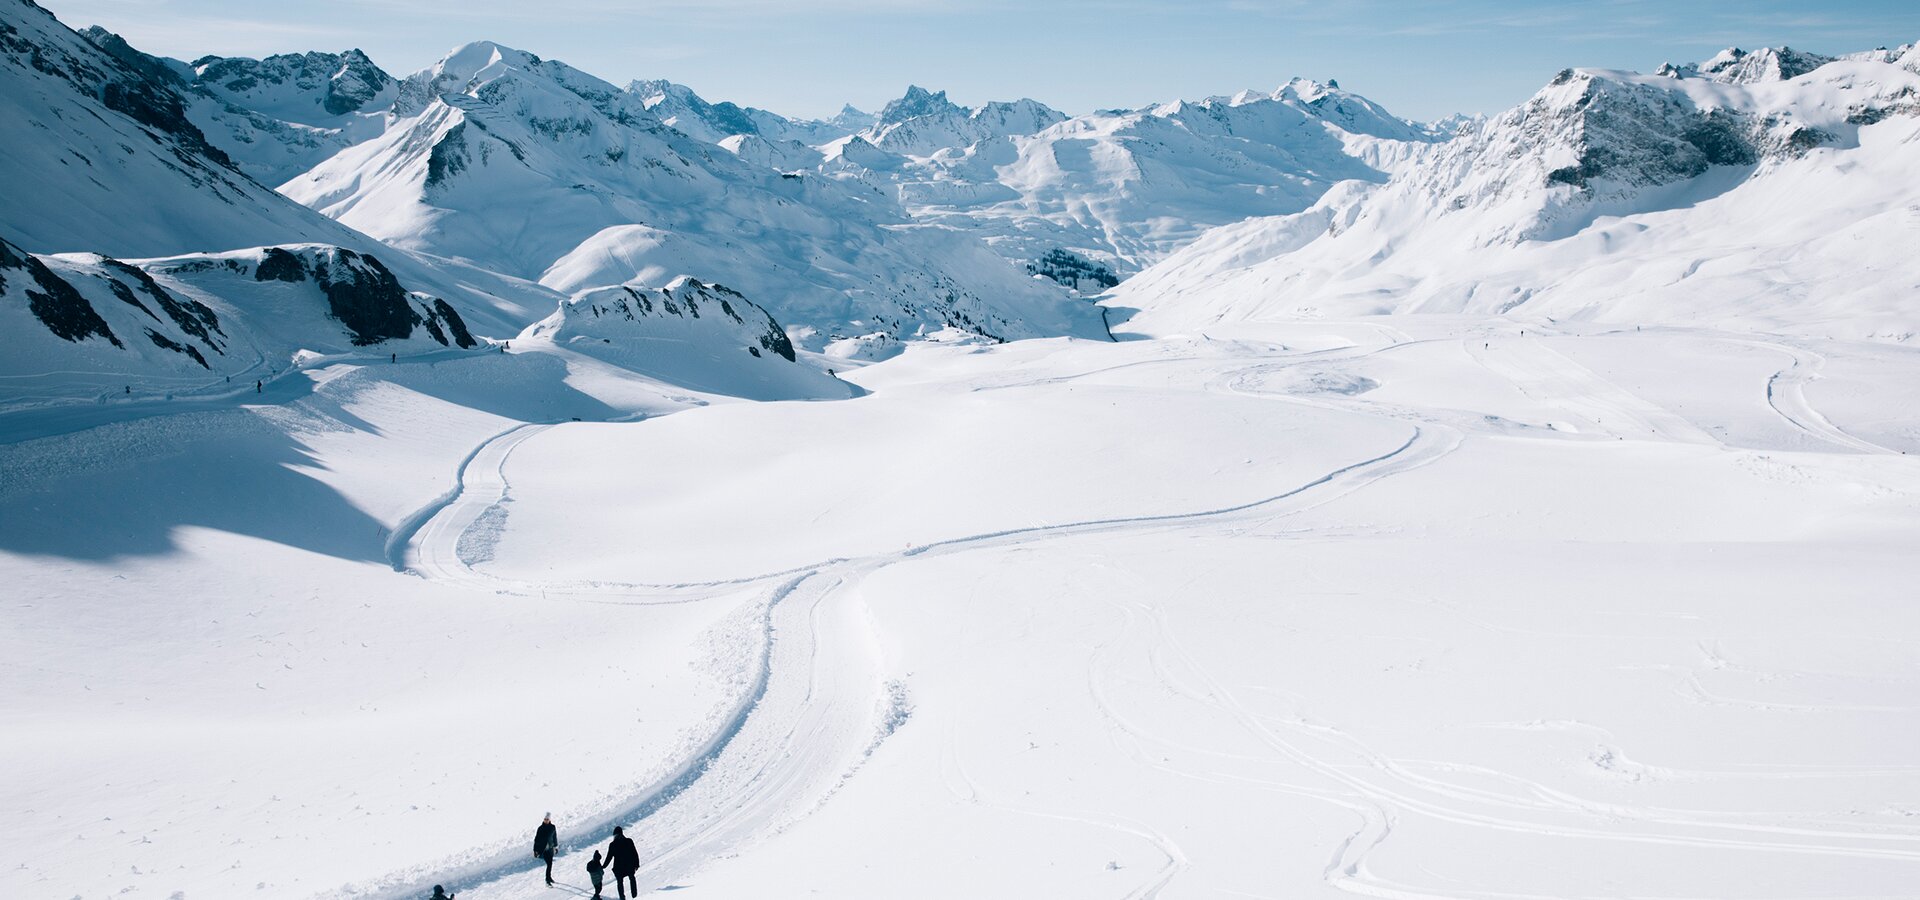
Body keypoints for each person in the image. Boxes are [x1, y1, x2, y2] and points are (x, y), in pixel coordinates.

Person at [605, 826, 640, 899]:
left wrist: (604, 866)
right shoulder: (629, 841)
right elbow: (634, 853)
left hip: (619, 867)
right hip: (629, 865)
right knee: (632, 879)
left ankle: (622, 897)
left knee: (620, 883)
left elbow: (609, 857)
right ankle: (634, 895)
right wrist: (636, 864)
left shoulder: (612, 845)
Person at [534, 813, 559, 886]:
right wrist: (535, 850)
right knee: (549, 864)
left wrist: (556, 846)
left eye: (547, 819)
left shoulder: (552, 827)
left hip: (550, 848)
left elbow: (554, 837)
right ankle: (547, 880)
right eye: (545, 819)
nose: (546, 821)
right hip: (543, 849)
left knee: (550, 864)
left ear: (549, 820)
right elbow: (536, 839)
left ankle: (549, 877)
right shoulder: (540, 828)